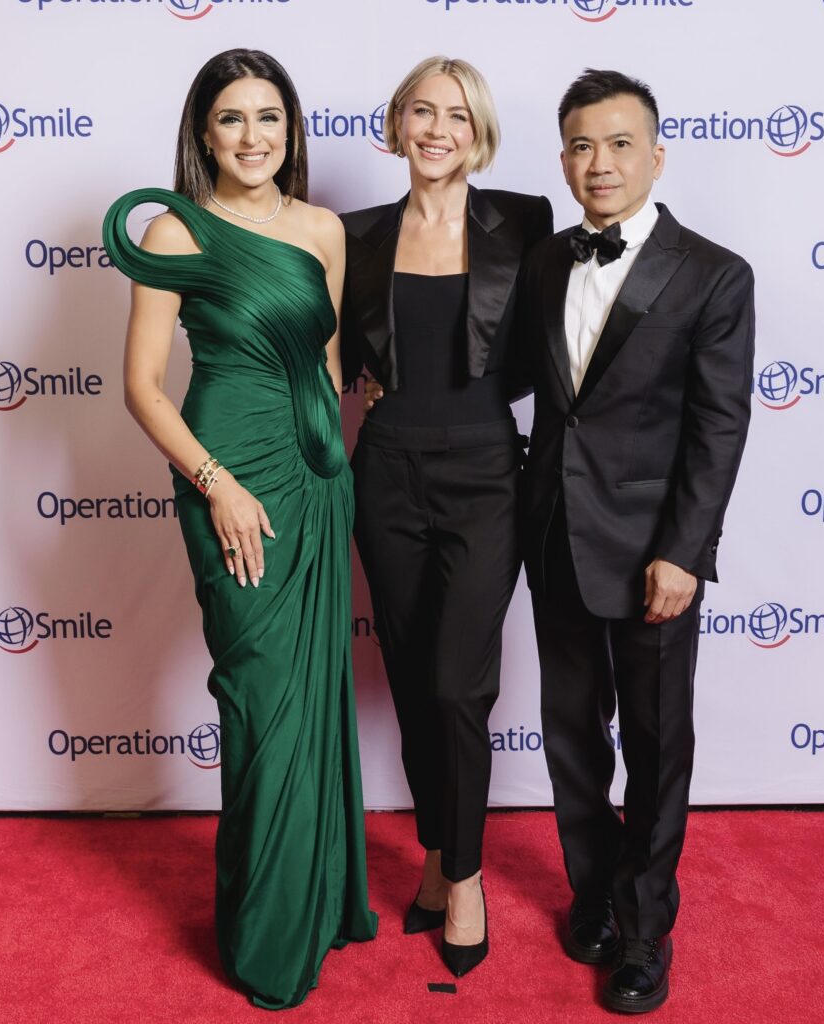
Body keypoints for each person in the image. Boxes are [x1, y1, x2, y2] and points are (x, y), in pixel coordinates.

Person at [102, 49, 377, 1010]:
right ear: (203, 133)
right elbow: (140, 386)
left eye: (269, 117)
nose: (253, 136)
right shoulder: (177, 233)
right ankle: (265, 935)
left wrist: (347, 436)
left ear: (291, 130)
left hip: (312, 478)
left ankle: (318, 900)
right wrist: (214, 483)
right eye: (231, 119)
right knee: (261, 702)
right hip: (226, 473)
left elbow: (327, 359)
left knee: (312, 697)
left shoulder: (323, 230)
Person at [517, 69, 754, 1013]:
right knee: (573, 738)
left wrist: (684, 553)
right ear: (563, 157)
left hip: (654, 552)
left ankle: (646, 927)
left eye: (618, 143)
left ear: (655, 154)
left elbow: (718, 427)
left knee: (656, 747)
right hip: (554, 540)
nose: (597, 162)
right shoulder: (543, 261)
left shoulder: (712, 272)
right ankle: (594, 897)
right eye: (580, 144)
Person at [340, 56, 552, 977]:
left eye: (457, 116)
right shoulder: (351, 234)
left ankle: (462, 877)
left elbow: (564, 334)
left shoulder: (526, 221)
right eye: (420, 111)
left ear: (480, 133)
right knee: (417, 674)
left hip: (483, 472)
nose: (437, 129)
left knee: (462, 684)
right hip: (383, 472)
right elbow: (323, 356)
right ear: (394, 123)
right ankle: (434, 851)